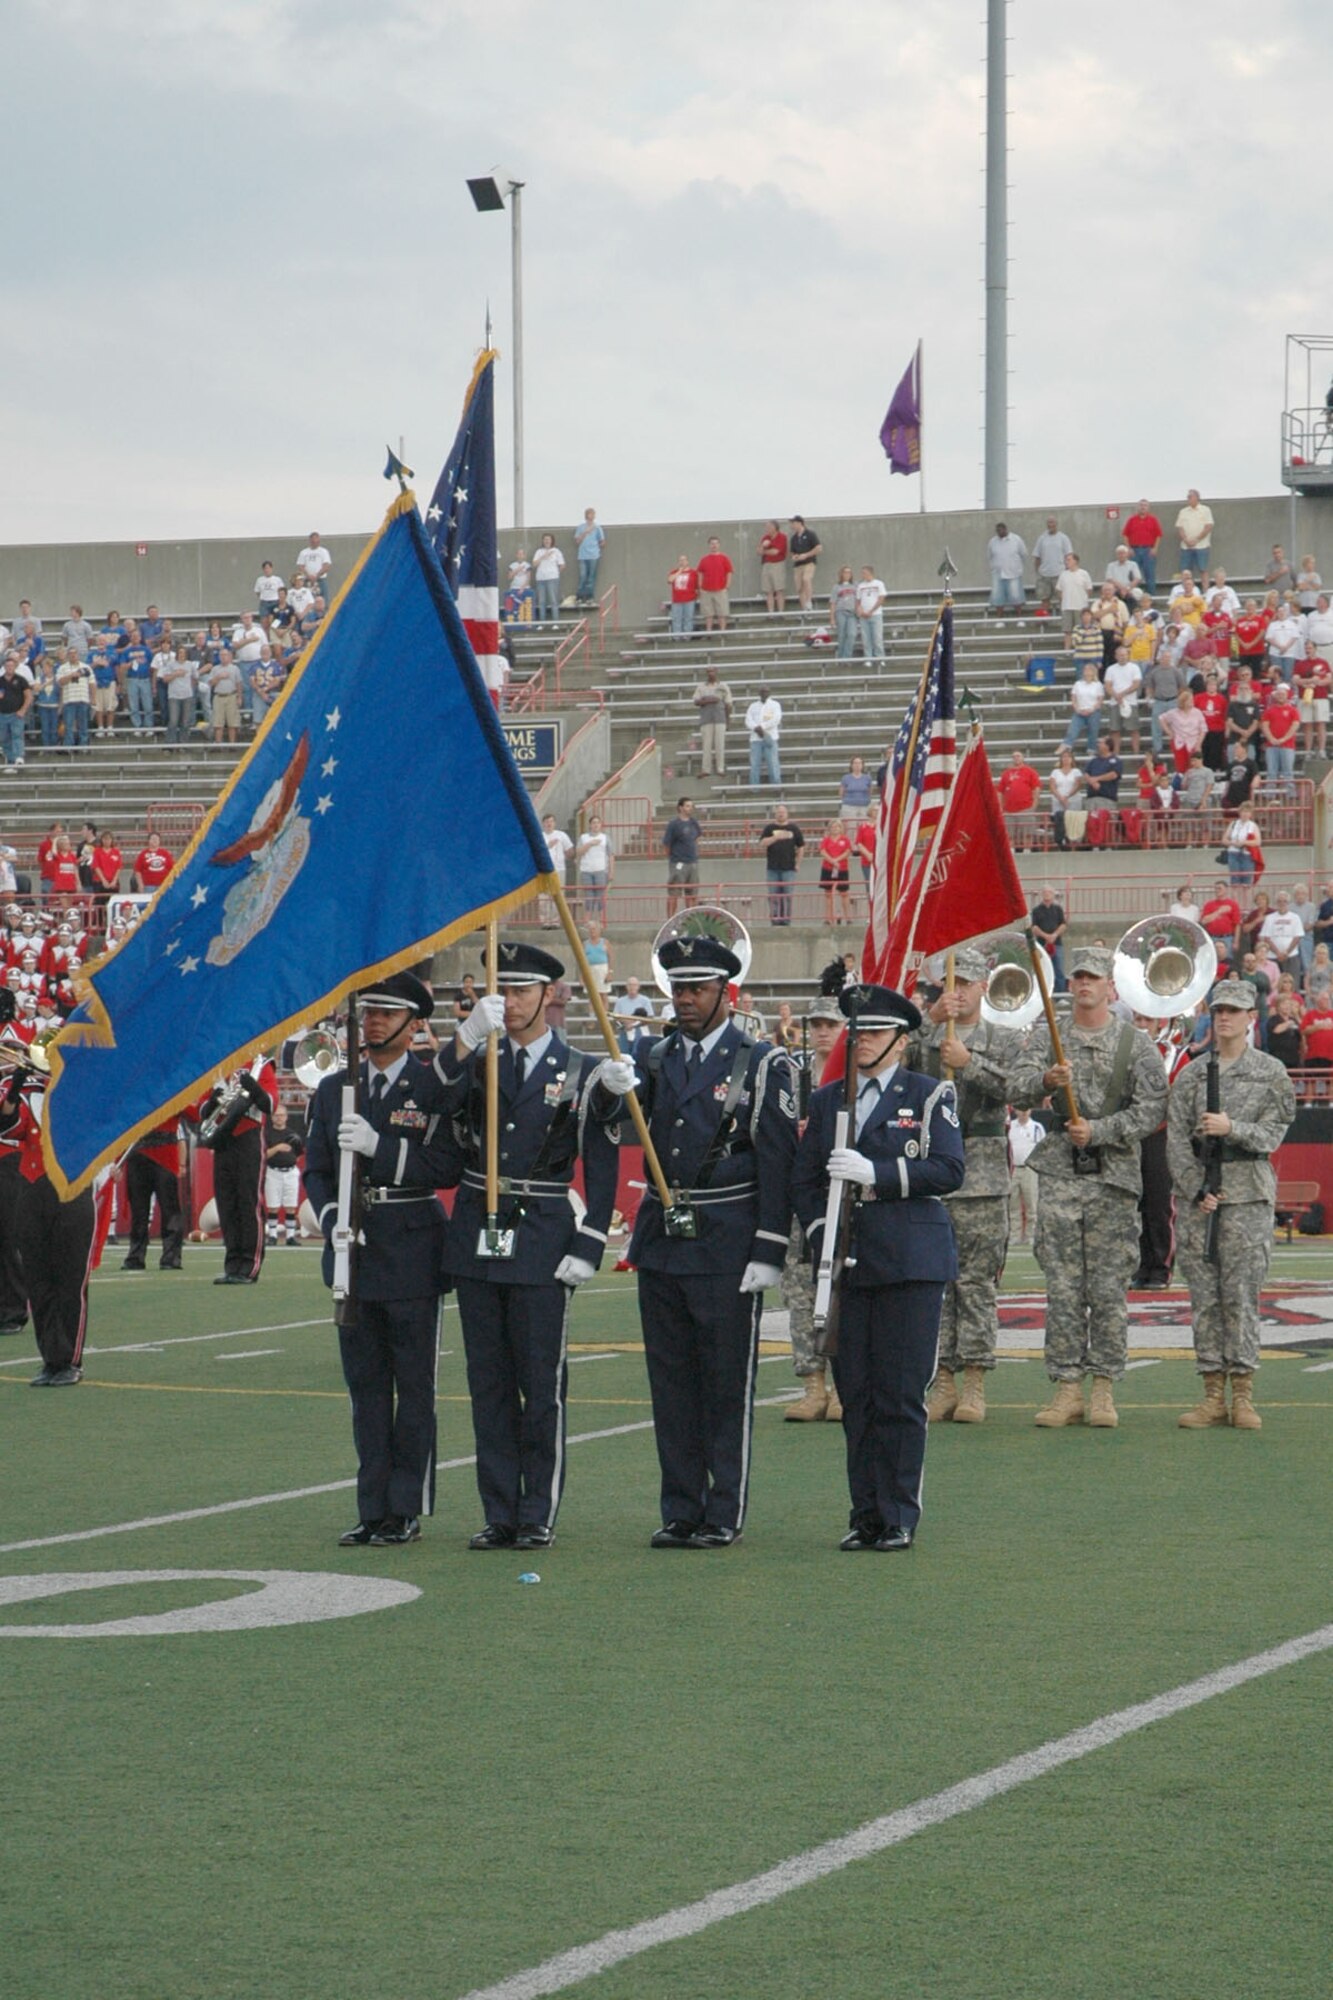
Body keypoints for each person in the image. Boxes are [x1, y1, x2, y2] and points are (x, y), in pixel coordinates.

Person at [430, 943, 622, 1550]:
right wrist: (463, 1037)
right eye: (501, 991)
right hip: (478, 1231)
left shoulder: (583, 1070)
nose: (509, 1003)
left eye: (521, 991)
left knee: (540, 1384)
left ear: (550, 996)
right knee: (487, 1383)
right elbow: (434, 1098)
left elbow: (603, 1158)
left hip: (541, 1235)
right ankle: (498, 1511)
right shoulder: (477, 1059)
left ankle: (536, 1510)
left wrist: (591, 1243)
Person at [613, 933, 796, 1548]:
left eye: (697, 988)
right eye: (678, 989)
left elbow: (777, 1160)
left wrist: (770, 1248)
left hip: (727, 1237)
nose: (685, 999)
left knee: (723, 1383)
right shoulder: (653, 1058)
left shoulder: (764, 1062)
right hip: (665, 1236)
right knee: (671, 1383)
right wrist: (617, 1090)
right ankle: (680, 1507)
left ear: (727, 992)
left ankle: (723, 1510)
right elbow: (624, 1131)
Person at [792, 982, 964, 1550]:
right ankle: (864, 1512)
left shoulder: (930, 1094)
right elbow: (806, 1181)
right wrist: (823, 1232)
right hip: (848, 1262)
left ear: (901, 1039)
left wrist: (877, 1174)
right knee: (857, 1394)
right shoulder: (827, 1101)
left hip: (910, 1258)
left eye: (873, 1032)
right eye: (856, 1031)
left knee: (898, 1393)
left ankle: (898, 1515)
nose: (861, 1042)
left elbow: (947, 1170)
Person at [305, 971, 456, 1547]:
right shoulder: (334, 1087)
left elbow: (443, 1166)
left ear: (414, 1022)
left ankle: (406, 1508)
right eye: (368, 1011)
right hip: (353, 1253)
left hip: (413, 1245)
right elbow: (317, 1168)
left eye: (387, 1013)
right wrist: (328, 1218)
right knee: (366, 1390)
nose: (372, 1022)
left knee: (413, 1388)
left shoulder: (431, 1086)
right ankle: (372, 1508)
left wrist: (382, 1149)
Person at [1008, 947, 1167, 1428]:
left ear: (1110, 987)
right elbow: (1015, 1087)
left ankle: (1103, 1389)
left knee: (1108, 1289)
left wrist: (1101, 1131)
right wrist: (1044, 1078)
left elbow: (1153, 1108)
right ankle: (1067, 1388)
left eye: (1093, 977)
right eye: (1077, 976)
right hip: (1060, 1174)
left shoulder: (1135, 1045)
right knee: (1062, 1286)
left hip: (1113, 1179)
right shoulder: (1048, 1037)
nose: (1083, 984)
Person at [1169, 979, 1295, 1433]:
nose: (1225, 1017)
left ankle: (1243, 1393)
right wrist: (1193, 1187)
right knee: (1204, 1299)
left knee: (1241, 1298)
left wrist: (1232, 1127)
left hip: (1247, 1196)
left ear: (1250, 1019)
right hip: (1202, 1200)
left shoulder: (1271, 1072)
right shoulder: (1192, 1074)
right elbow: (1177, 1141)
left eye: (1235, 1010)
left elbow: (1273, 1133)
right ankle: (1211, 1395)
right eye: (1219, 1009)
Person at [913, 946, 1023, 1426]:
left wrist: (969, 1061)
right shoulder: (928, 1036)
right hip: (933, 1172)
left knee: (975, 1286)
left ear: (984, 986)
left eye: (966, 984)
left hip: (981, 1176)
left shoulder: (1003, 1039)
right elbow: (891, 1056)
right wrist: (929, 1020)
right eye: (949, 985)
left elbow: (1022, 1089)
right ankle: (943, 1382)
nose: (957, 993)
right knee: (934, 1286)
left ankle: (975, 1381)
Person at [0, 1044, 97, 1386]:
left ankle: (70, 1360)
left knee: (70, 1281)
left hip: (71, 1189)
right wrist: (14, 1087)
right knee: (38, 1280)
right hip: (32, 1189)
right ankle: (50, 1360)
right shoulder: (27, 1095)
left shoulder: (82, 1093)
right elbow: (7, 1128)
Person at [782, 996, 846, 1422]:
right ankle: (812, 1385)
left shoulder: (855, 1076)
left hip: (841, 1190)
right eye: (817, 1024)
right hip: (802, 1191)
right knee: (799, 1292)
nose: (823, 1031)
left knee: (841, 1290)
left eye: (831, 1024)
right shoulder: (792, 1073)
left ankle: (842, 1385)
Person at [192, 1050, 278, 1284]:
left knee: (247, 1202)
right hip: (222, 1139)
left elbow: (270, 1104)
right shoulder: (218, 1067)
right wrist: (211, 1101)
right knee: (227, 1202)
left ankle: (249, 1266)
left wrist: (254, 1087)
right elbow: (200, 1111)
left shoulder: (260, 1064)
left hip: (248, 1136)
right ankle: (232, 1264)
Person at [120, 1118, 184, 1272]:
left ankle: (170, 1257)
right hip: (139, 1154)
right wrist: (119, 1161)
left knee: (169, 1209)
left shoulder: (169, 1096)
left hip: (164, 1155)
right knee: (139, 1212)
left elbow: (193, 1114)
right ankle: (136, 1256)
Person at [263, 1098, 306, 1246]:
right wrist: (277, 1148)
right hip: (273, 1172)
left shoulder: (293, 1134)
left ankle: (290, 1236)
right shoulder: (266, 1134)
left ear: (287, 1117)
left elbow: (299, 1153)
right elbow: (263, 1155)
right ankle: (273, 1235)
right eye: (276, 1115)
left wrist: (289, 1161)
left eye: (282, 1115)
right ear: (272, 1117)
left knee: (291, 1205)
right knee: (273, 1205)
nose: (279, 1118)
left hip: (290, 1172)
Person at [759, 802, 804, 925]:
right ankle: (775, 920)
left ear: (787, 814)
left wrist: (798, 864)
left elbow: (801, 847)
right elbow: (762, 843)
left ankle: (786, 920)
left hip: (789, 868)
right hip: (772, 868)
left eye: (783, 812)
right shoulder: (769, 828)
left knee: (787, 896)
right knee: (773, 896)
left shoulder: (794, 828)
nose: (780, 815)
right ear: (775, 814)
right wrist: (775, 838)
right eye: (778, 812)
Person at [1008, 1104, 1044, 1245]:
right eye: (1021, 1110)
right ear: (1016, 1111)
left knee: (1031, 1205)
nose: (1023, 1113)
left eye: (1026, 1110)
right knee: (1013, 1205)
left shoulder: (1037, 1127)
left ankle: (1030, 1236)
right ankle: (1014, 1236)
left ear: (1030, 1110)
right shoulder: (1010, 1126)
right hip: (1013, 1169)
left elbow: (1042, 1149)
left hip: (1030, 1170)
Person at [662, 796, 702, 915]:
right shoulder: (673, 824)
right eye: (687, 806)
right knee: (674, 893)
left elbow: (698, 835)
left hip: (692, 862)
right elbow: (666, 844)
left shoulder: (694, 822)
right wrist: (673, 857)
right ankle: (670, 922)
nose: (690, 808)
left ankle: (690, 920)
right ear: (681, 808)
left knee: (692, 894)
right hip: (678, 863)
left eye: (691, 806)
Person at [691, 666, 732, 775]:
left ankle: (720, 768)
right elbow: (696, 701)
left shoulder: (723, 686)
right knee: (706, 745)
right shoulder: (701, 687)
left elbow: (728, 704)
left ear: (716, 672)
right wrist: (711, 700)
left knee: (720, 744)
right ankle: (706, 769)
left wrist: (728, 720)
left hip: (720, 718)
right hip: (706, 719)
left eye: (712, 671)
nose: (710, 673)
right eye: (708, 672)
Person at [575, 814, 613, 926]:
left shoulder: (605, 838)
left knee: (601, 896)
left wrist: (611, 871)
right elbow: (579, 852)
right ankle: (587, 922)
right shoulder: (583, 837)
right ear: (590, 825)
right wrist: (590, 844)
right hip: (586, 870)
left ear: (601, 825)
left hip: (601, 870)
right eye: (593, 823)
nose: (595, 825)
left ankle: (601, 921)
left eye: (598, 823)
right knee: (588, 897)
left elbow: (611, 855)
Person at [1124, 499, 1164, 596]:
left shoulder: (1153, 520)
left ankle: (1151, 598)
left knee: (1149, 575)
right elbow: (1125, 535)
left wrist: (1155, 548)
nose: (1143, 507)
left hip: (1148, 551)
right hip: (1135, 551)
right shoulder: (1132, 520)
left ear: (1148, 508)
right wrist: (1128, 548)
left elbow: (1158, 535)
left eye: (1145, 505)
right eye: (1141, 505)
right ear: (1138, 507)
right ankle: (1133, 597)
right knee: (1133, 576)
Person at [1031, 885, 1068, 991]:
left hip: (1057, 944)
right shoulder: (1036, 910)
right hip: (1042, 944)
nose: (1047, 894)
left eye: (1049, 892)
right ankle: (1044, 993)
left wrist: (1054, 935)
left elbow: (1063, 925)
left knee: (1059, 969)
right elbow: (1034, 927)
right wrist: (1046, 936)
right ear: (1042, 895)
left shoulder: (1058, 909)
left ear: (1053, 895)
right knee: (1043, 969)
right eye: (1045, 892)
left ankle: (1060, 995)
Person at [986, 521, 1028, 613]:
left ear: (1005, 529)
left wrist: (1018, 568)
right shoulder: (992, 542)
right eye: (997, 531)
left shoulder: (1016, 539)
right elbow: (989, 557)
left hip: (1014, 574)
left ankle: (1019, 619)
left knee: (1017, 598)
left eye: (1001, 530)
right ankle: (1000, 620)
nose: (999, 532)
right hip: (998, 575)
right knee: (998, 598)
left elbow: (1024, 554)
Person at [818, 816, 853, 925]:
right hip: (827, 868)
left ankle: (848, 918)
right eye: (833, 827)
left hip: (842, 868)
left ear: (841, 828)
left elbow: (848, 852)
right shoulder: (826, 840)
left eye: (837, 826)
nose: (835, 828)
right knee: (828, 894)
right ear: (829, 829)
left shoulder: (845, 840)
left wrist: (837, 860)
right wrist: (832, 861)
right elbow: (822, 851)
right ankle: (828, 918)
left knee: (844, 893)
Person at [745, 684, 782, 786]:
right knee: (754, 764)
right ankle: (754, 787)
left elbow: (776, 719)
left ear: (769, 693)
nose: (764, 693)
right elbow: (748, 720)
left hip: (770, 737)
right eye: (762, 691)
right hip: (755, 739)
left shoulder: (775, 705)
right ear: (759, 693)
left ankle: (776, 786)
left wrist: (762, 727)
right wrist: (756, 728)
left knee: (773, 763)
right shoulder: (753, 706)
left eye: (766, 691)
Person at [1032, 516, 1073, 607]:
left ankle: (1064, 619)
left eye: (1052, 522)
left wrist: (1068, 572)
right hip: (1044, 576)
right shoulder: (1041, 538)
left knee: (1063, 598)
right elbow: (1037, 557)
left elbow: (1069, 556)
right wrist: (1038, 572)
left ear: (1056, 524)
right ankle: (1045, 620)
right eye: (1049, 522)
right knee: (1044, 599)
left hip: (1060, 574)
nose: (1050, 525)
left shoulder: (1063, 538)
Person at [697, 536, 734, 632]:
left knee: (722, 613)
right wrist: (700, 586)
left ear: (719, 545)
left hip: (720, 589)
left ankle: (722, 632)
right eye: (712, 543)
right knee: (708, 614)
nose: (714, 545)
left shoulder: (724, 558)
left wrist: (727, 585)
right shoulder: (704, 559)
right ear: (709, 545)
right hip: (706, 590)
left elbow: (729, 572)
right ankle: (709, 631)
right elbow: (700, 572)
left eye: (716, 543)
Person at [1175, 489, 1215, 576]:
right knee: (1185, 571)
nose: (1188, 498)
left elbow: (1209, 526)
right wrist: (1186, 540)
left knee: (1203, 570)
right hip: (1186, 546)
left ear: (1197, 498)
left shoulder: (1206, 510)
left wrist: (1197, 539)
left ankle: (1205, 590)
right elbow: (1180, 527)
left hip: (1202, 546)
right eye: (1187, 497)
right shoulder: (1183, 511)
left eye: (1190, 497)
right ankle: (1187, 589)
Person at [789, 517, 822, 610]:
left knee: (806, 579)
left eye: (794, 523)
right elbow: (792, 552)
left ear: (800, 523)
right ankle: (804, 609)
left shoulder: (810, 534)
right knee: (799, 588)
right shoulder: (794, 538)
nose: (792, 526)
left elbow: (819, 548)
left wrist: (806, 555)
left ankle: (809, 602)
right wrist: (794, 556)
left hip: (809, 562)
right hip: (798, 565)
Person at [573, 508, 605, 604]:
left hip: (593, 556)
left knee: (591, 577)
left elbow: (602, 541)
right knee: (583, 576)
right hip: (582, 555)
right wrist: (585, 532)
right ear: (586, 516)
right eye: (588, 514)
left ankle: (589, 597)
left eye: (592, 514)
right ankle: (579, 597)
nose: (590, 516)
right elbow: (577, 541)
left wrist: (596, 548)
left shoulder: (598, 528)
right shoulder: (580, 527)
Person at [532, 534, 565, 625]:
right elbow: (534, 564)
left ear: (552, 541)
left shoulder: (556, 551)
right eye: (545, 539)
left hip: (552, 578)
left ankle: (555, 623)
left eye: (548, 539)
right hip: (540, 579)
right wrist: (543, 556)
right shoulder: (539, 551)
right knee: (541, 601)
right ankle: (542, 623)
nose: (547, 541)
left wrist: (555, 573)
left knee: (553, 601)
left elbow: (562, 565)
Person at [855, 566, 886, 661]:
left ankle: (880, 658)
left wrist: (871, 611)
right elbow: (858, 600)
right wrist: (860, 611)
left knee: (877, 638)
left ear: (870, 573)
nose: (863, 575)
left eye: (864, 573)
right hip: (863, 616)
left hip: (876, 614)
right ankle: (868, 659)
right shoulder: (860, 586)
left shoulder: (879, 584)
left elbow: (881, 599)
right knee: (866, 639)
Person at [668, 555, 700, 638]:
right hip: (677, 600)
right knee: (677, 619)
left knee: (688, 618)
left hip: (689, 599)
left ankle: (687, 636)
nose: (682, 562)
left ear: (687, 561)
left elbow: (697, 586)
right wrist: (679, 571)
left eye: (684, 560)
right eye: (680, 560)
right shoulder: (674, 572)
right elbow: (670, 580)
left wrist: (697, 596)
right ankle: (676, 637)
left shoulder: (693, 573)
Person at [759, 520, 788, 612]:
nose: (766, 529)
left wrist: (764, 552)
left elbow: (776, 552)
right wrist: (763, 546)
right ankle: (771, 613)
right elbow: (758, 551)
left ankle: (780, 612)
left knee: (779, 589)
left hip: (777, 564)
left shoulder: (782, 537)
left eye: (768, 527)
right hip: (766, 564)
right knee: (768, 591)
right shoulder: (765, 538)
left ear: (774, 527)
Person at [830, 565, 858, 657]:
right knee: (841, 636)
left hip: (852, 613)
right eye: (845, 572)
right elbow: (833, 603)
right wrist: (832, 618)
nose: (847, 574)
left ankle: (847, 656)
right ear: (841, 574)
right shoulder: (836, 587)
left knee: (852, 634)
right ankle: (840, 657)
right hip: (840, 612)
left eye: (849, 572)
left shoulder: (855, 585)